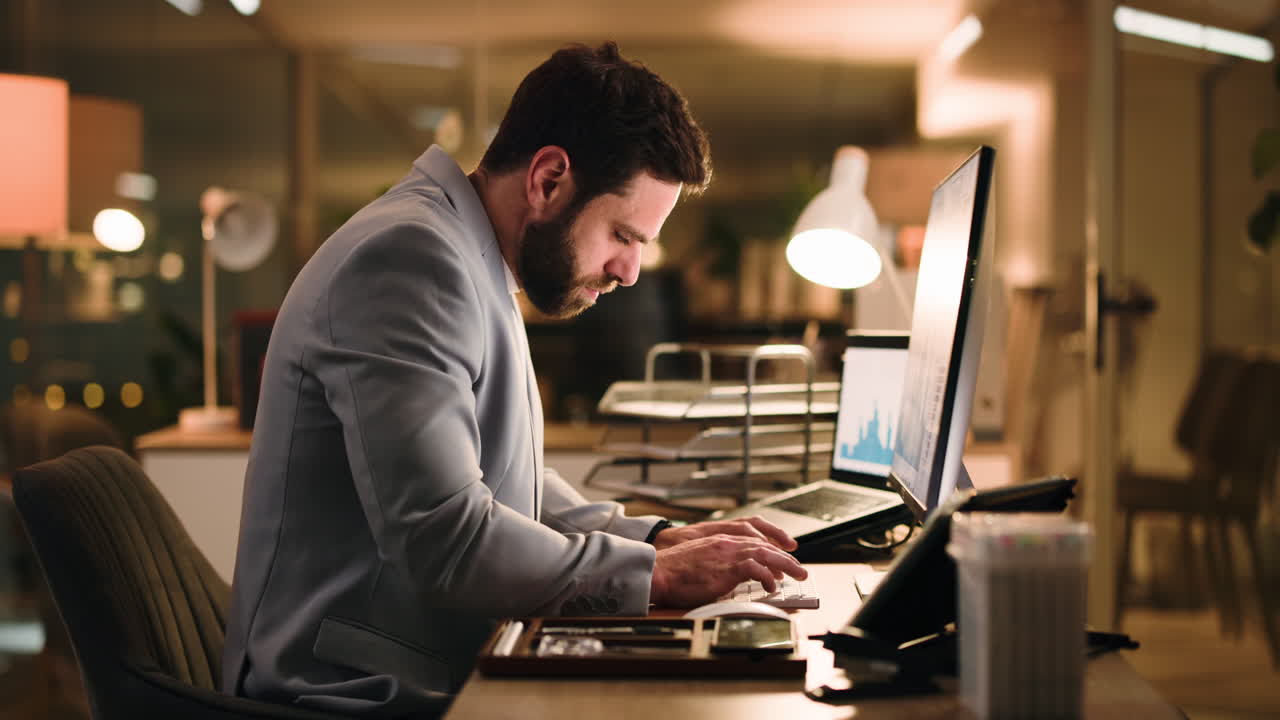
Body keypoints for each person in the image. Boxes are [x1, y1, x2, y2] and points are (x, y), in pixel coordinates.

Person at [222, 42, 807, 717]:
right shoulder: (409, 260)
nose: (630, 271)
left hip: (409, 660)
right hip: (348, 689)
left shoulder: (463, 252)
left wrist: (651, 541)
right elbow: (446, 538)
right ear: (549, 179)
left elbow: (498, 485)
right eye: (625, 234)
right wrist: (655, 576)